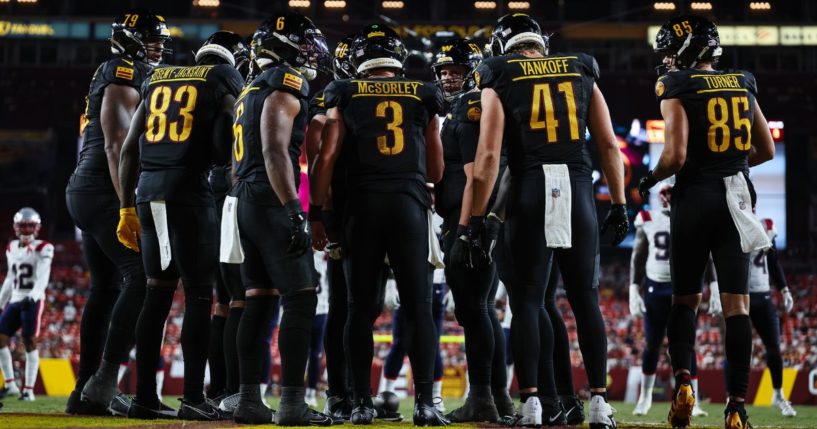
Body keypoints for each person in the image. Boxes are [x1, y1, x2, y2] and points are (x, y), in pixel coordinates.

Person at [471, 13, 627, 428]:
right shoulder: (581, 67)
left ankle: (533, 403)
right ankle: (598, 402)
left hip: (530, 189)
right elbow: (609, 145)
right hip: (577, 188)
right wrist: (621, 203)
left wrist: (476, 218)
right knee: (585, 299)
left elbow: (488, 157)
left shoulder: (497, 72)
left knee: (527, 301)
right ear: (540, 42)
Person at [639, 14, 775, 429]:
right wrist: (729, 167)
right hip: (736, 196)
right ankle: (736, 406)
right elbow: (765, 149)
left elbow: (675, 156)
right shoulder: (742, 82)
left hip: (695, 197)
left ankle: (684, 382)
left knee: (685, 300)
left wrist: (648, 179)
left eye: (669, 50)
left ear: (686, 49)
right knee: (737, 306)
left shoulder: (676, 86)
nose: (664, 58)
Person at [311, 23, 447, 426]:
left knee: (356, 309)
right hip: (408, 204)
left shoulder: (344, 92)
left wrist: (317, 212)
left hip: (361, 206)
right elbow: (436, 170)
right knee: (419, 308)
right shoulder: (423, 92)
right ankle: (424, 403)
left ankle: (361, 405)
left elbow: (327, 157)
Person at [115, 30, 246, 420]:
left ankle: (143, 397)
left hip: (147, 191)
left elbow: (128, 147)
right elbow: (229, 136)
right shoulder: (224, 78)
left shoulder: (157, 78)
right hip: (189, 191)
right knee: (200, 297)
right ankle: (192, 396)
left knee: (157, 294)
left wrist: (125, 208)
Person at [227, 12, 332, 425]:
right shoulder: (284, 85)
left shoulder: (247, 89)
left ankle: (249, 399)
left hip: (242, 198)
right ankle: (291, 403)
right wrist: (293, 210)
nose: (308, 56)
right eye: (303, 45)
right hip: (270, 198)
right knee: (302, 297)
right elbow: (274, 150)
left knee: (258, 299)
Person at [64, 9, 169, 415]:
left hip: (88, 190)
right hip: (103, 190)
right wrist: (128, 204)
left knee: (106, 289)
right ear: (128, 39)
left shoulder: (117, 69)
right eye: (149, 37)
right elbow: (116, 145)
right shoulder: (123, 71)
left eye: (159, 38)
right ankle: (104, 381)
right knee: (142, 278)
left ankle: (85, 392)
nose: (157, 45)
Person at [429, 38, 510, 423]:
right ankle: (498, 396)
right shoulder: (473, 106)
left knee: (476, 310)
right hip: (474, 218)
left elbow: (475, 176)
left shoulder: (472, 107)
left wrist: (465, 228)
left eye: (456, 71)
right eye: (443, 71)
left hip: (470, 220)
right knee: (481, 311)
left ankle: (483, 398)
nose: (448, 78)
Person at [304, 34, 357, 420]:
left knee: (361, 308)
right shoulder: (326, 112)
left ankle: (358, 394)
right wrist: (319, 215)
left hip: (369, 215)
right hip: (345, 217)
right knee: (343, 307)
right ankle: (340, 393)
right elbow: (319, 166)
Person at [629, 184, 707, 418]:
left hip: (683, 286)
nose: (666, 197)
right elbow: (639, 254)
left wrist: (712, 284)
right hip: (655, 286)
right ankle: (645, 398)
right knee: (652, 343)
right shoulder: (648, 218)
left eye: (671, 192)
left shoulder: (693, 216)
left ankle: (693, 398)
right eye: (663, 192)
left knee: (686, 344)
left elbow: (706, 254)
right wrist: (634, 286)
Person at [709, 216, 797, 417]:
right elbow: (715, 258)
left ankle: (779, 394)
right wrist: (715, 288)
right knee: (734, 349)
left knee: (774, 347)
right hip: (738, 295)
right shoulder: (730, 223)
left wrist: (784, 289)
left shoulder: (765, 225)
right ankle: (730, 398)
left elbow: (773, 261)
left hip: (763, 294)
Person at [0, 208, 53, 402]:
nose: (27, 230)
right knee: (1, 337)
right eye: (23, 226)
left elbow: (43, 276)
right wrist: (1, 300)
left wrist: (33, 296)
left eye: (30, 226)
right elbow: (10, 277)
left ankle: (28, 390)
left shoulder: (44, 247)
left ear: (37, 227)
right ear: (16, 227)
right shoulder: (12, 247)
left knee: (29, 341)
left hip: (32, 300)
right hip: (14, 299)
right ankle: (11, 385)